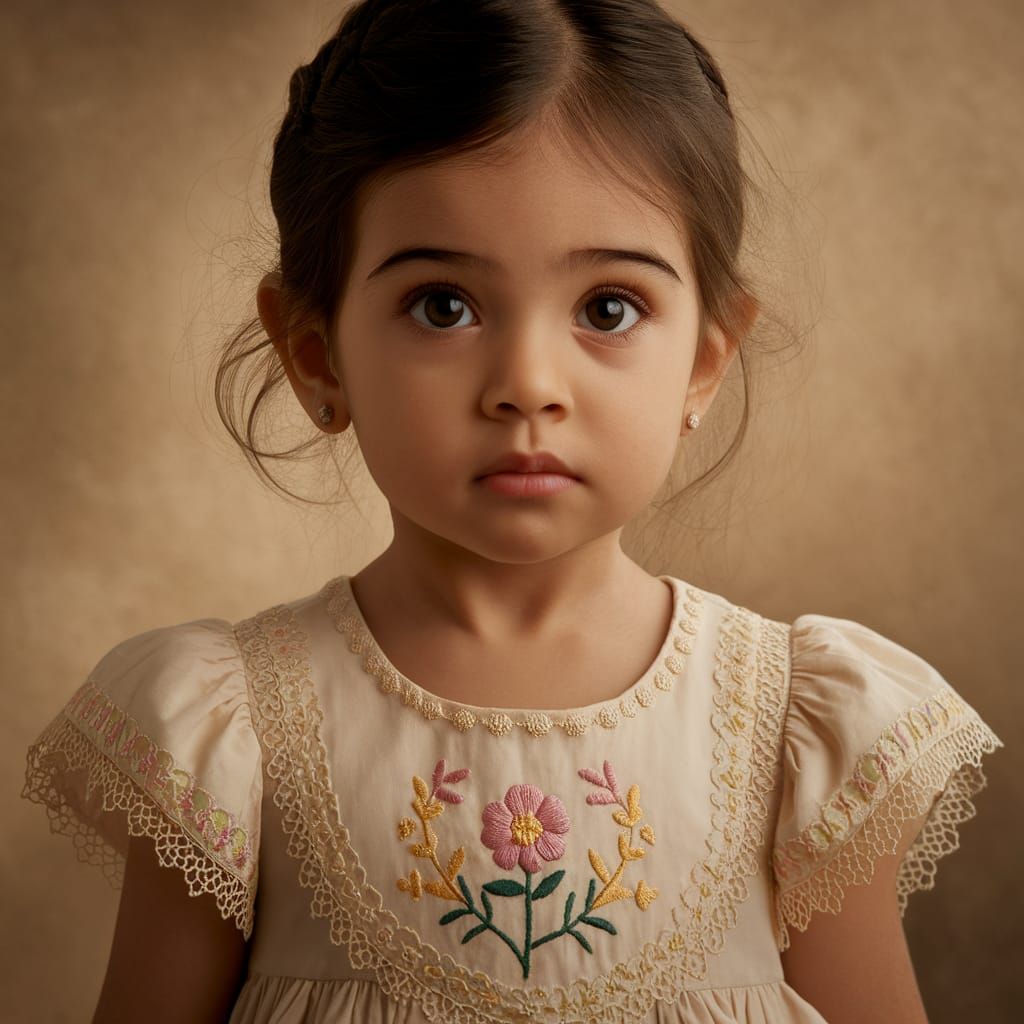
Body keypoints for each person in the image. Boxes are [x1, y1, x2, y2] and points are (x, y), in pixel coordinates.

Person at [22, 1, 1005, 1021]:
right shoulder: (236, 738)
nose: (528, 383)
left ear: (704, 363)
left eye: (608, 308)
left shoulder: (797, 736)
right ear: (317, 355)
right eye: (442, 305)